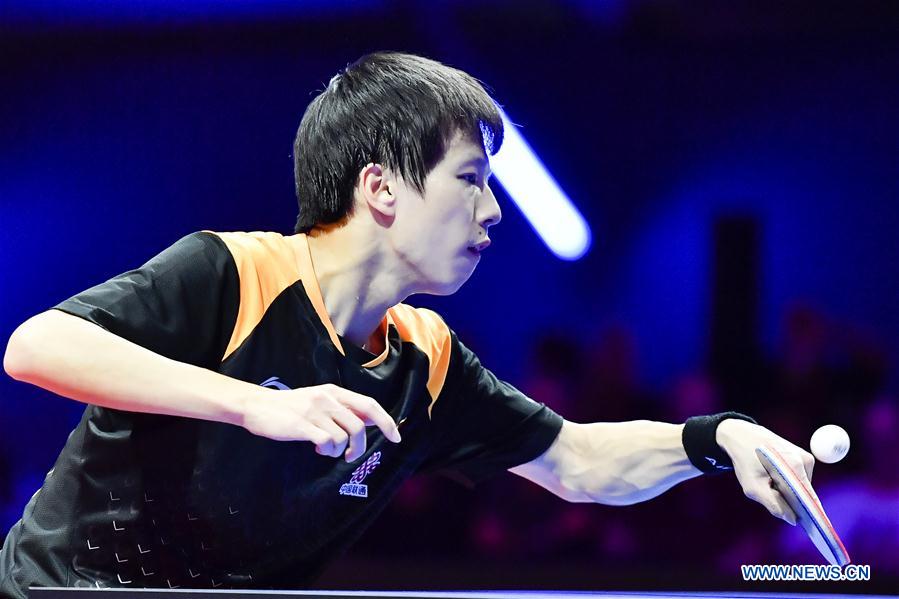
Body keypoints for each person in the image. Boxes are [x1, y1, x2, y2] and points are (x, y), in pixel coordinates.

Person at [1, 52, 814, 596]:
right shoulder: (233, 271)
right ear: (382, 188)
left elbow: (577, 460)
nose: (493, 212)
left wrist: (718, 439)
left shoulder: (425, 362)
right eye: (469, 179)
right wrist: (252, 402)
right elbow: (36, 345)